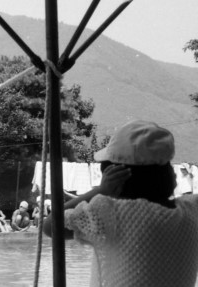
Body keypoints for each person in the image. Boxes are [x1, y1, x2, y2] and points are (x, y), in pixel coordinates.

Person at [44, 120, 198, 287]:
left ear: (116, 179)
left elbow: (50, 226)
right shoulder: (192, 209)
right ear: (169, 173)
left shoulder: (109, 214)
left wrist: (100, 190)